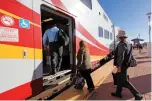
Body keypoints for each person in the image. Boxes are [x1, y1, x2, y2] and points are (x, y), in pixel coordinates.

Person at [112, 30, 143, 100]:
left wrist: (119, 65)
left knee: (125, 81)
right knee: (119, 78)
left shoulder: (121, 44)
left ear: (120, 37)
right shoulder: (128, 44)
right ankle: (118, 93)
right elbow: (129, 54)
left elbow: (121, 56)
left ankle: (138, 95)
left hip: (122, 65)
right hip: (126, 64)